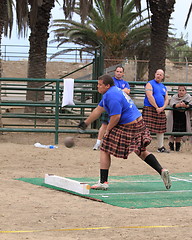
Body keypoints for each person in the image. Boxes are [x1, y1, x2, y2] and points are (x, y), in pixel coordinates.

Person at [78, 74, 171, 190]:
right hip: (139, 123)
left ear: (107, 86)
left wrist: (107, 130)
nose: (98, 87)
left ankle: (103, 182)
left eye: (100, 85)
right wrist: (86, 122)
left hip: (128, 125)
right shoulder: (114, 91)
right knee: (141, 150)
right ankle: (161, 170)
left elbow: (116, 117)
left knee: (104, 148)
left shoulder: (111, 96)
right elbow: (98, 110)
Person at [93, 66, 130, 150]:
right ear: (114, 72)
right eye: (117, 71)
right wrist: (121, 90)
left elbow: (128, 91)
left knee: (119, 126)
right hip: (109, 106)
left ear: (123, 73)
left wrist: (118, 91)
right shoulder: (110, 81)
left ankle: (114, 145)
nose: (119, 73)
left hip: (119, 107)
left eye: (120, 72)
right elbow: (116, 91)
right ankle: (98, 143)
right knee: (104, 124)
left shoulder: (125, 83)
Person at [142, 69, 169, 153]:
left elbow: (167, 99)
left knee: (161, 128)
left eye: (160, 75)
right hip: (150, 108)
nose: (158, 76)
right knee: (146, 127)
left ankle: (160, 147)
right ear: (155, 74)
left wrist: (163, 107)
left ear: (163, 77)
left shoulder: (163, 87)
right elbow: (149, 96)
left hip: (160, 110)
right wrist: (156, 107)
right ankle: (142, 146)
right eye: (157, 74)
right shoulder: (149, 84)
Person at [167, 86, 192, 151]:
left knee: (179, 133)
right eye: (180, 90)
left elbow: (190, 104)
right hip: (174, 116)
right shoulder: (174, 97)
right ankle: (171, 146)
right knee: (172, 132)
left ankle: (177, 148)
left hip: (183, 116)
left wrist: (186, 106)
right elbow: (172, 104)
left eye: (183, 90)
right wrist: (179, 105)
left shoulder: (188, 97)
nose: (181, 92)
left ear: (185, 91)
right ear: (178, 91)